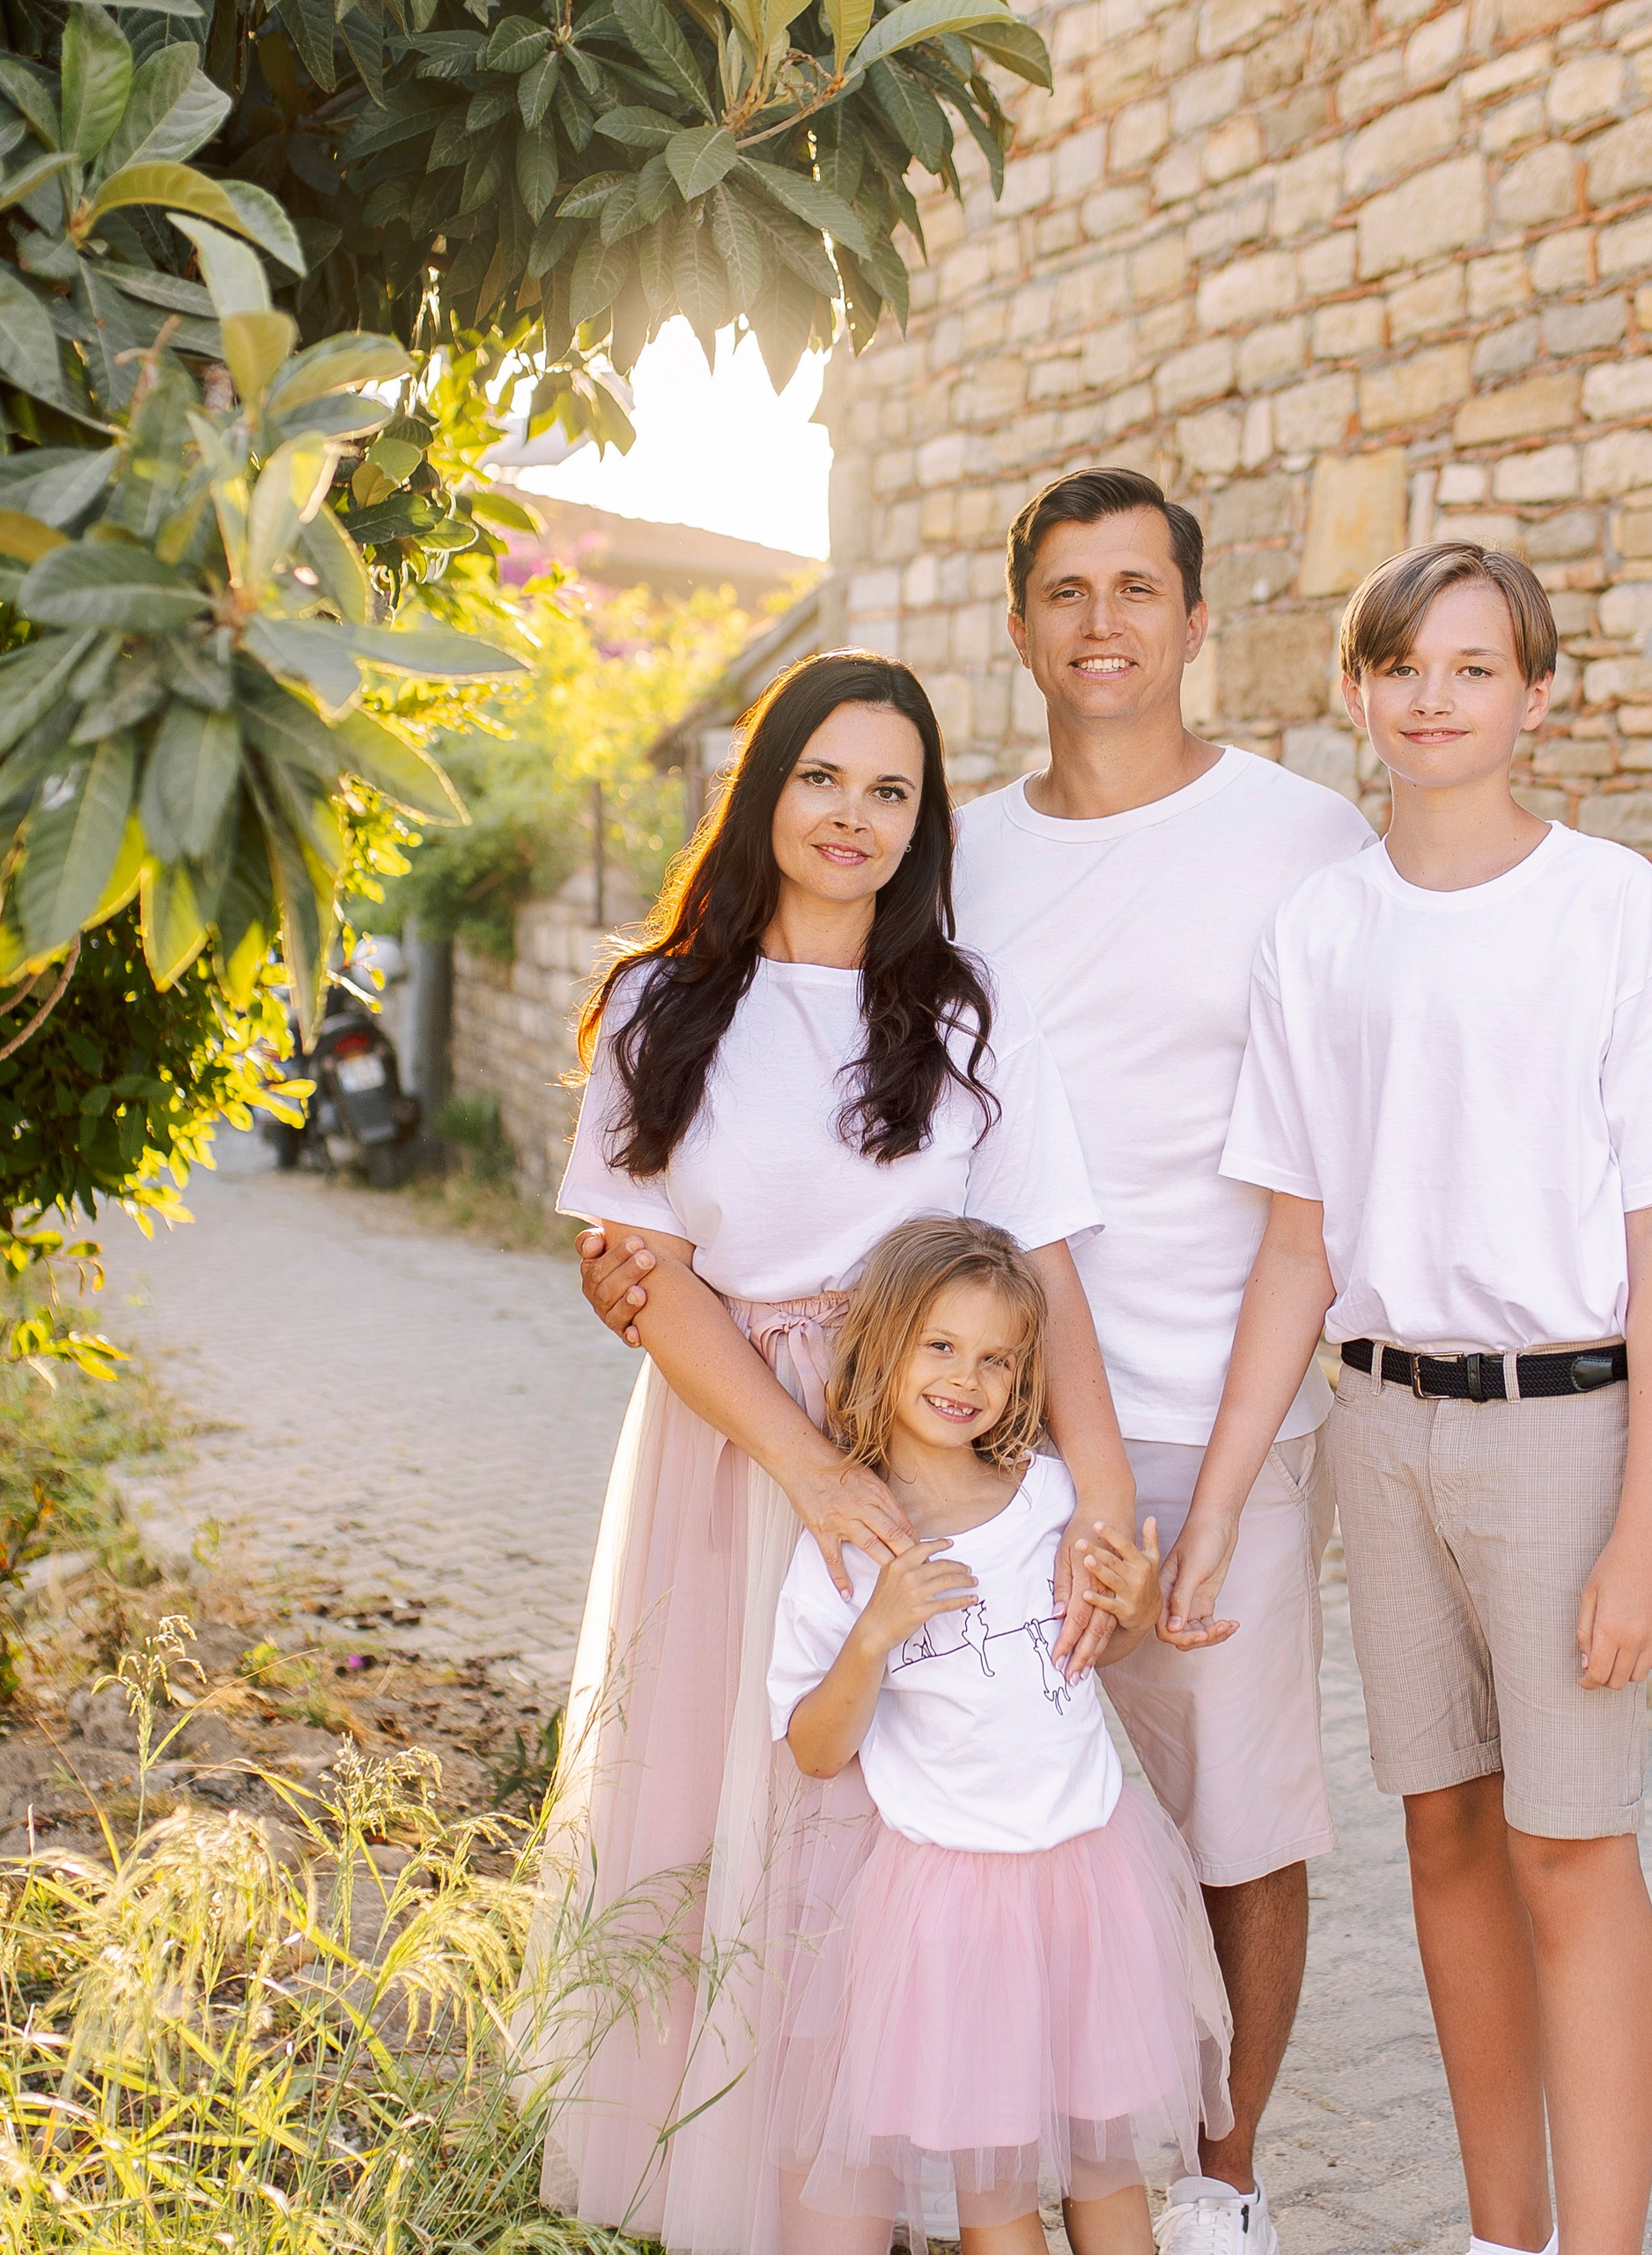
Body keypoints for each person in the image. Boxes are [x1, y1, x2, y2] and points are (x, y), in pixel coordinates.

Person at [579, 470, 1652, 2254]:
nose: (1102, 620)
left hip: (1231, 1421)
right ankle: (931, 2169)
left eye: (1138, 587)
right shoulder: (955, 863)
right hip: (964, 1419)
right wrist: (662, 1263)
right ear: (1021, 623)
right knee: (944, 1800)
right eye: (1065, 589)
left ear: (1198, 623)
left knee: (1234, 1824)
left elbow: (1442, 1029)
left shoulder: (1309, 846)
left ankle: (1214, 2176)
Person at [1182, 542, 1652, 2255]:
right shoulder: (1318, 930)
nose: (1432, 696)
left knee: (1567, 1846)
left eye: (1471, 665)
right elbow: (1295, 1243)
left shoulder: (1604, 905)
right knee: (1440, 1832)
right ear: (1354, 694)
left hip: (1562, 1433)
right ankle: (1499, 2234)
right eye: (1400, 667)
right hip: (1378, 1427)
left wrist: (1647, 1522)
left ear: (1534, 694)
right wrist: (1215, 1501)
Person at [529, 650, 1134, 2255]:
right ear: (767, 789)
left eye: (891, 789)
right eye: (822, 777)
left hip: (931, 1442)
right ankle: (748, 2192)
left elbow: (1050, 1260)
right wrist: (806, 1468)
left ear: (924, 820)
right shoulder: (665, 1004)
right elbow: (641, 1269)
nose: (853, 816)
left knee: (906, 1827)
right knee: (742, 1802)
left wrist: (1112, 1511)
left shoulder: (961, 1006)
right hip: (737, 1454)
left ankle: (902, 2184)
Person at [766, 1216, 1230, 2254]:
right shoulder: (848, 1553)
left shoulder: (1053, 1501)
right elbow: (812, 1746)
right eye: (939, 1345)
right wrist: (876, 1636)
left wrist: (1140, 1605)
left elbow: (1095, 1649)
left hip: (1089, 1877)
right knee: (997, 2190)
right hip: (953, 1911)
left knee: (1108, 2169)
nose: (964, 1377)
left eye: (996, 1358)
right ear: (880, 1348)